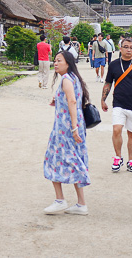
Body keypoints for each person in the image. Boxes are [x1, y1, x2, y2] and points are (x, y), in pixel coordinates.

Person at [42, 50, 90, 215]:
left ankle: (60, 199)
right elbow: (72, 100)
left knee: (53, 159)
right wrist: (57, 101)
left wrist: (74, 127)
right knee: (74, 159)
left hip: (65, 129)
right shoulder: (74, 78)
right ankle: (81, 203)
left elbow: (72, 100)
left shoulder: (66, 79)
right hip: (72, 126)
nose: (55, 63)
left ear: (68, 63)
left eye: (59, 61)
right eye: (54, 60)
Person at [100, 36, 132, 173]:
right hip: (118, 103)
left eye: (131, 48)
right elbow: (108, 82)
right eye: (126, 47)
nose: (129, 50)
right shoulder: (114, 64)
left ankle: (131, 160)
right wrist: (103, 99)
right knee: (116, 129)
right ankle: (118, 157)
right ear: (120, 48)